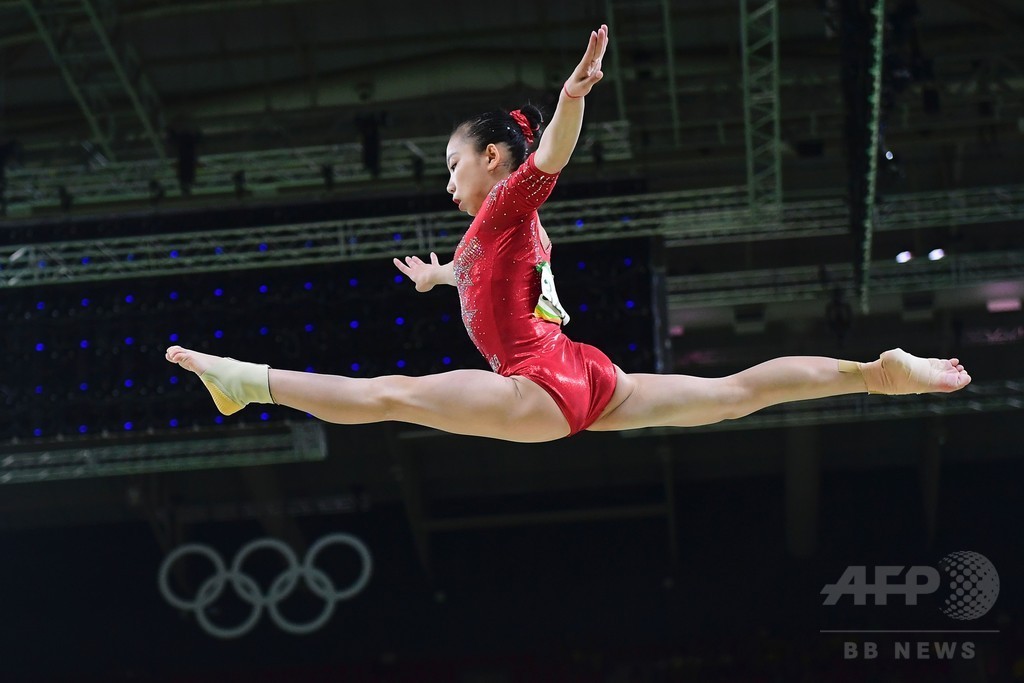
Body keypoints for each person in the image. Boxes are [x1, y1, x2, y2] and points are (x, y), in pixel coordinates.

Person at [165, 24, 970, 443]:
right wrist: (440, 278)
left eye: (452, 165)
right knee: (734, 395)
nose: (446, 181)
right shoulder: (495, 232)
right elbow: (497, 277)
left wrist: (572, 97)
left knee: (389, 397)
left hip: (540, 384)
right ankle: (873, 372)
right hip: (586, 375)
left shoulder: (510, 201)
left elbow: (548, 156)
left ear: (491, 158)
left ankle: (245, 378)